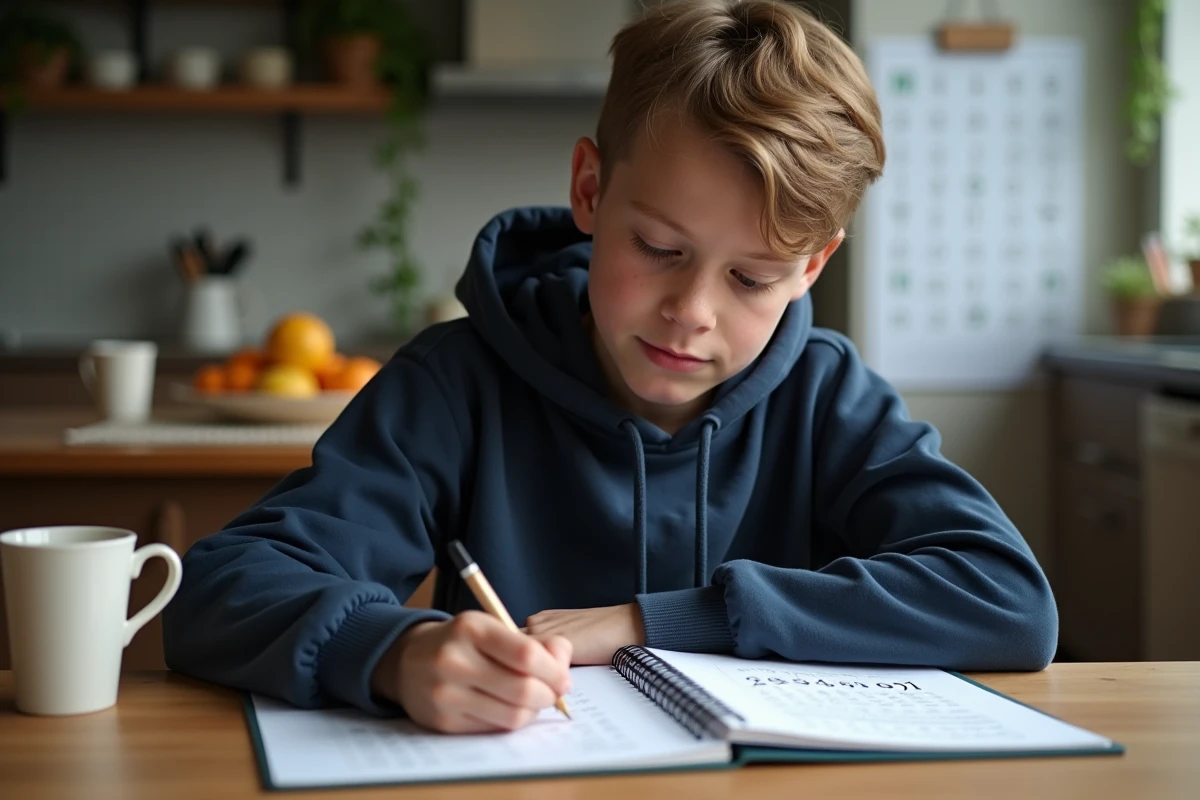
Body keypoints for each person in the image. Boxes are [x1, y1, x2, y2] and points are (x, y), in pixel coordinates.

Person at [163, 0, 1057, 735]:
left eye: (752, 278)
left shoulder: (825, 395)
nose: (693, 313)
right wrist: (391, 652)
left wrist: (655, 621)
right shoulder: (456, 382)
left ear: (813, 265)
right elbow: (219, 588)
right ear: (590, 191)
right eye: (660, 248)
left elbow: (1008, 601)